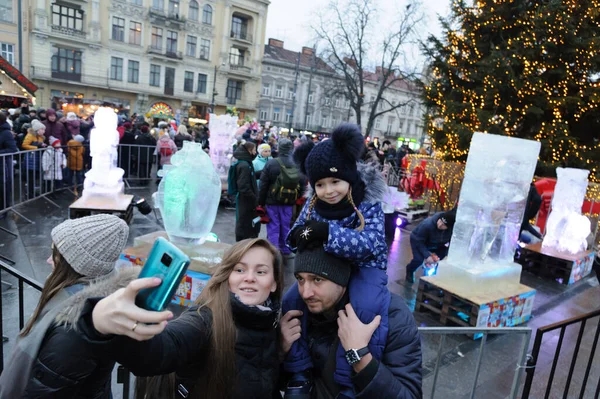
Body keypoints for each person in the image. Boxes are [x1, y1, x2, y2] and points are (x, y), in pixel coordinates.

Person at [75, 238, 283, 399]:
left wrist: (282, 348)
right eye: (239, 269)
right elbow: (162, 350)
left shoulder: (272, 322)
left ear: (274, 283)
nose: (249, 277)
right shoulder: (204, 321)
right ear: (227, 276)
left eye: (261, 271)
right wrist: (100, 322)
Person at [283, 124, 390, 398]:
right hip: (325, 268)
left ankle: (347, 381)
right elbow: (295, 235)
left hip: (365, 268)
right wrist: (301, 234)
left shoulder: (368, 204)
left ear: (349, 177)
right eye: (320, 184)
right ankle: (298, 370)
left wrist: (326, 232)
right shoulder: (312, 204)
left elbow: (371, 243)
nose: (328, 191)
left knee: (365, 309)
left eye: (334, 182)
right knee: (291, 301)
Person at [0, 214, 131, 397]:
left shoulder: (70, 329)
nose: (48, 260)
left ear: (75, 265)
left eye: (55, 255)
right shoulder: (97, 304)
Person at [280, 246, 422, 398]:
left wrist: (360, 356)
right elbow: (280, 384)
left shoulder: (393, 317)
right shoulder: (294, 313)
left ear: (341, 278)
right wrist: (279, 352)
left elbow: (409, 395)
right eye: (300, 279)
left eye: (317, 279)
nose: (306, 292)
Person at [258, 138, 303, 258]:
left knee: (273, 225)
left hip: (272, 201)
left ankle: (273, 250)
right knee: (286, 225)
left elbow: (263, 185)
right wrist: (297, 197)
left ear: (279, 148)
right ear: (291, 149)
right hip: (289, 201)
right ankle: (285, 249)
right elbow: (302, 182)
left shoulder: (271, 163)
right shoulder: (297, 163)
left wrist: (260, 202)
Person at [405, 209, 456, 284]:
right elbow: (419, 242)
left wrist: (441, 255)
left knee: (441, 259)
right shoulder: (427, 225)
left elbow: (451, 243)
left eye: (444, 225)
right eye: (440, 221)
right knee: (418, 259)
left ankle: (428, 276)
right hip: (418, 240)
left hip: (438, 243)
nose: (440, 225)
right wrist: (427, 255)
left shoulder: (451, 231)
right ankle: (410, 270)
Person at [232, 141, 260, 241]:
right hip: (246, 201)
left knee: (245, 223)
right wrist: (254, 198)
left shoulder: (245, 163)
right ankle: (242, 245)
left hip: (245, 200)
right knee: (244, 224)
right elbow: (243, 186)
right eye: (254, 150)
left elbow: (250, 177)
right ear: (249, 150)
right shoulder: (244, 165)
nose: (255, 152)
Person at [21, 121, 47, 198]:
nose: (43, 131)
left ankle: (32, 192)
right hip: (31, 159)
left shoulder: (40, 137)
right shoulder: (30, 135)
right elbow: (24, 145)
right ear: (37, 129)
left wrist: (42, 146)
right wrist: (36, 148)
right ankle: (29, 193)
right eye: (42, 129)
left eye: (44, 129)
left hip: (37, 158)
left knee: (35, 176)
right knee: (30, 177)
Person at [0, 112, 18, 211]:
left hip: (3, 166)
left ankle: (4, 209)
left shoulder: (6, 132)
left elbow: (13, 149)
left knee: (3, 188)